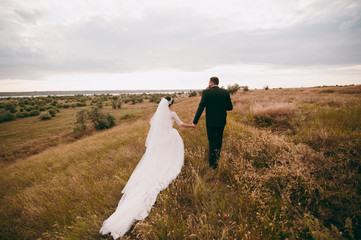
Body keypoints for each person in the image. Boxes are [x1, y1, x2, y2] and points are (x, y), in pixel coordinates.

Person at [99, 97, 195, 239]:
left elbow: (155, 129)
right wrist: (192, 125)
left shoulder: (157, 116)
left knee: (158, 159)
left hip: (161, 140)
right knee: (170, 158)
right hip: (170, 137)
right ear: (172, 103)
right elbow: (180, 125)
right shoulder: (172, 114)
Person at [192, 77, 233, 169]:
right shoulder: (225, 92)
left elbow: (201, 107)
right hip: (221, 121)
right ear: (217, 83)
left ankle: (212, 163)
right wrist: (221, 106)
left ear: (211, 82)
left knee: (212, 141)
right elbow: (230, 107)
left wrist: (195, 121)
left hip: (210, 122)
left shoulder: (206, 92)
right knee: (219, 140)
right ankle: (217, 159)